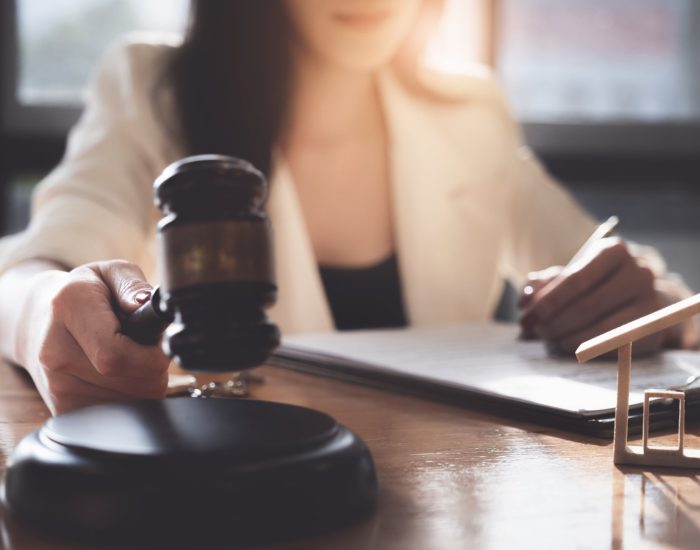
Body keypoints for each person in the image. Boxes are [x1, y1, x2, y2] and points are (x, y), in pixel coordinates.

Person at [0, 0, 695, 415]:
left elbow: (633, 282)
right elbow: (34, 269)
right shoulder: (153, 88)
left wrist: (645, 301)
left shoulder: (469, 114)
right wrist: (45, 313)